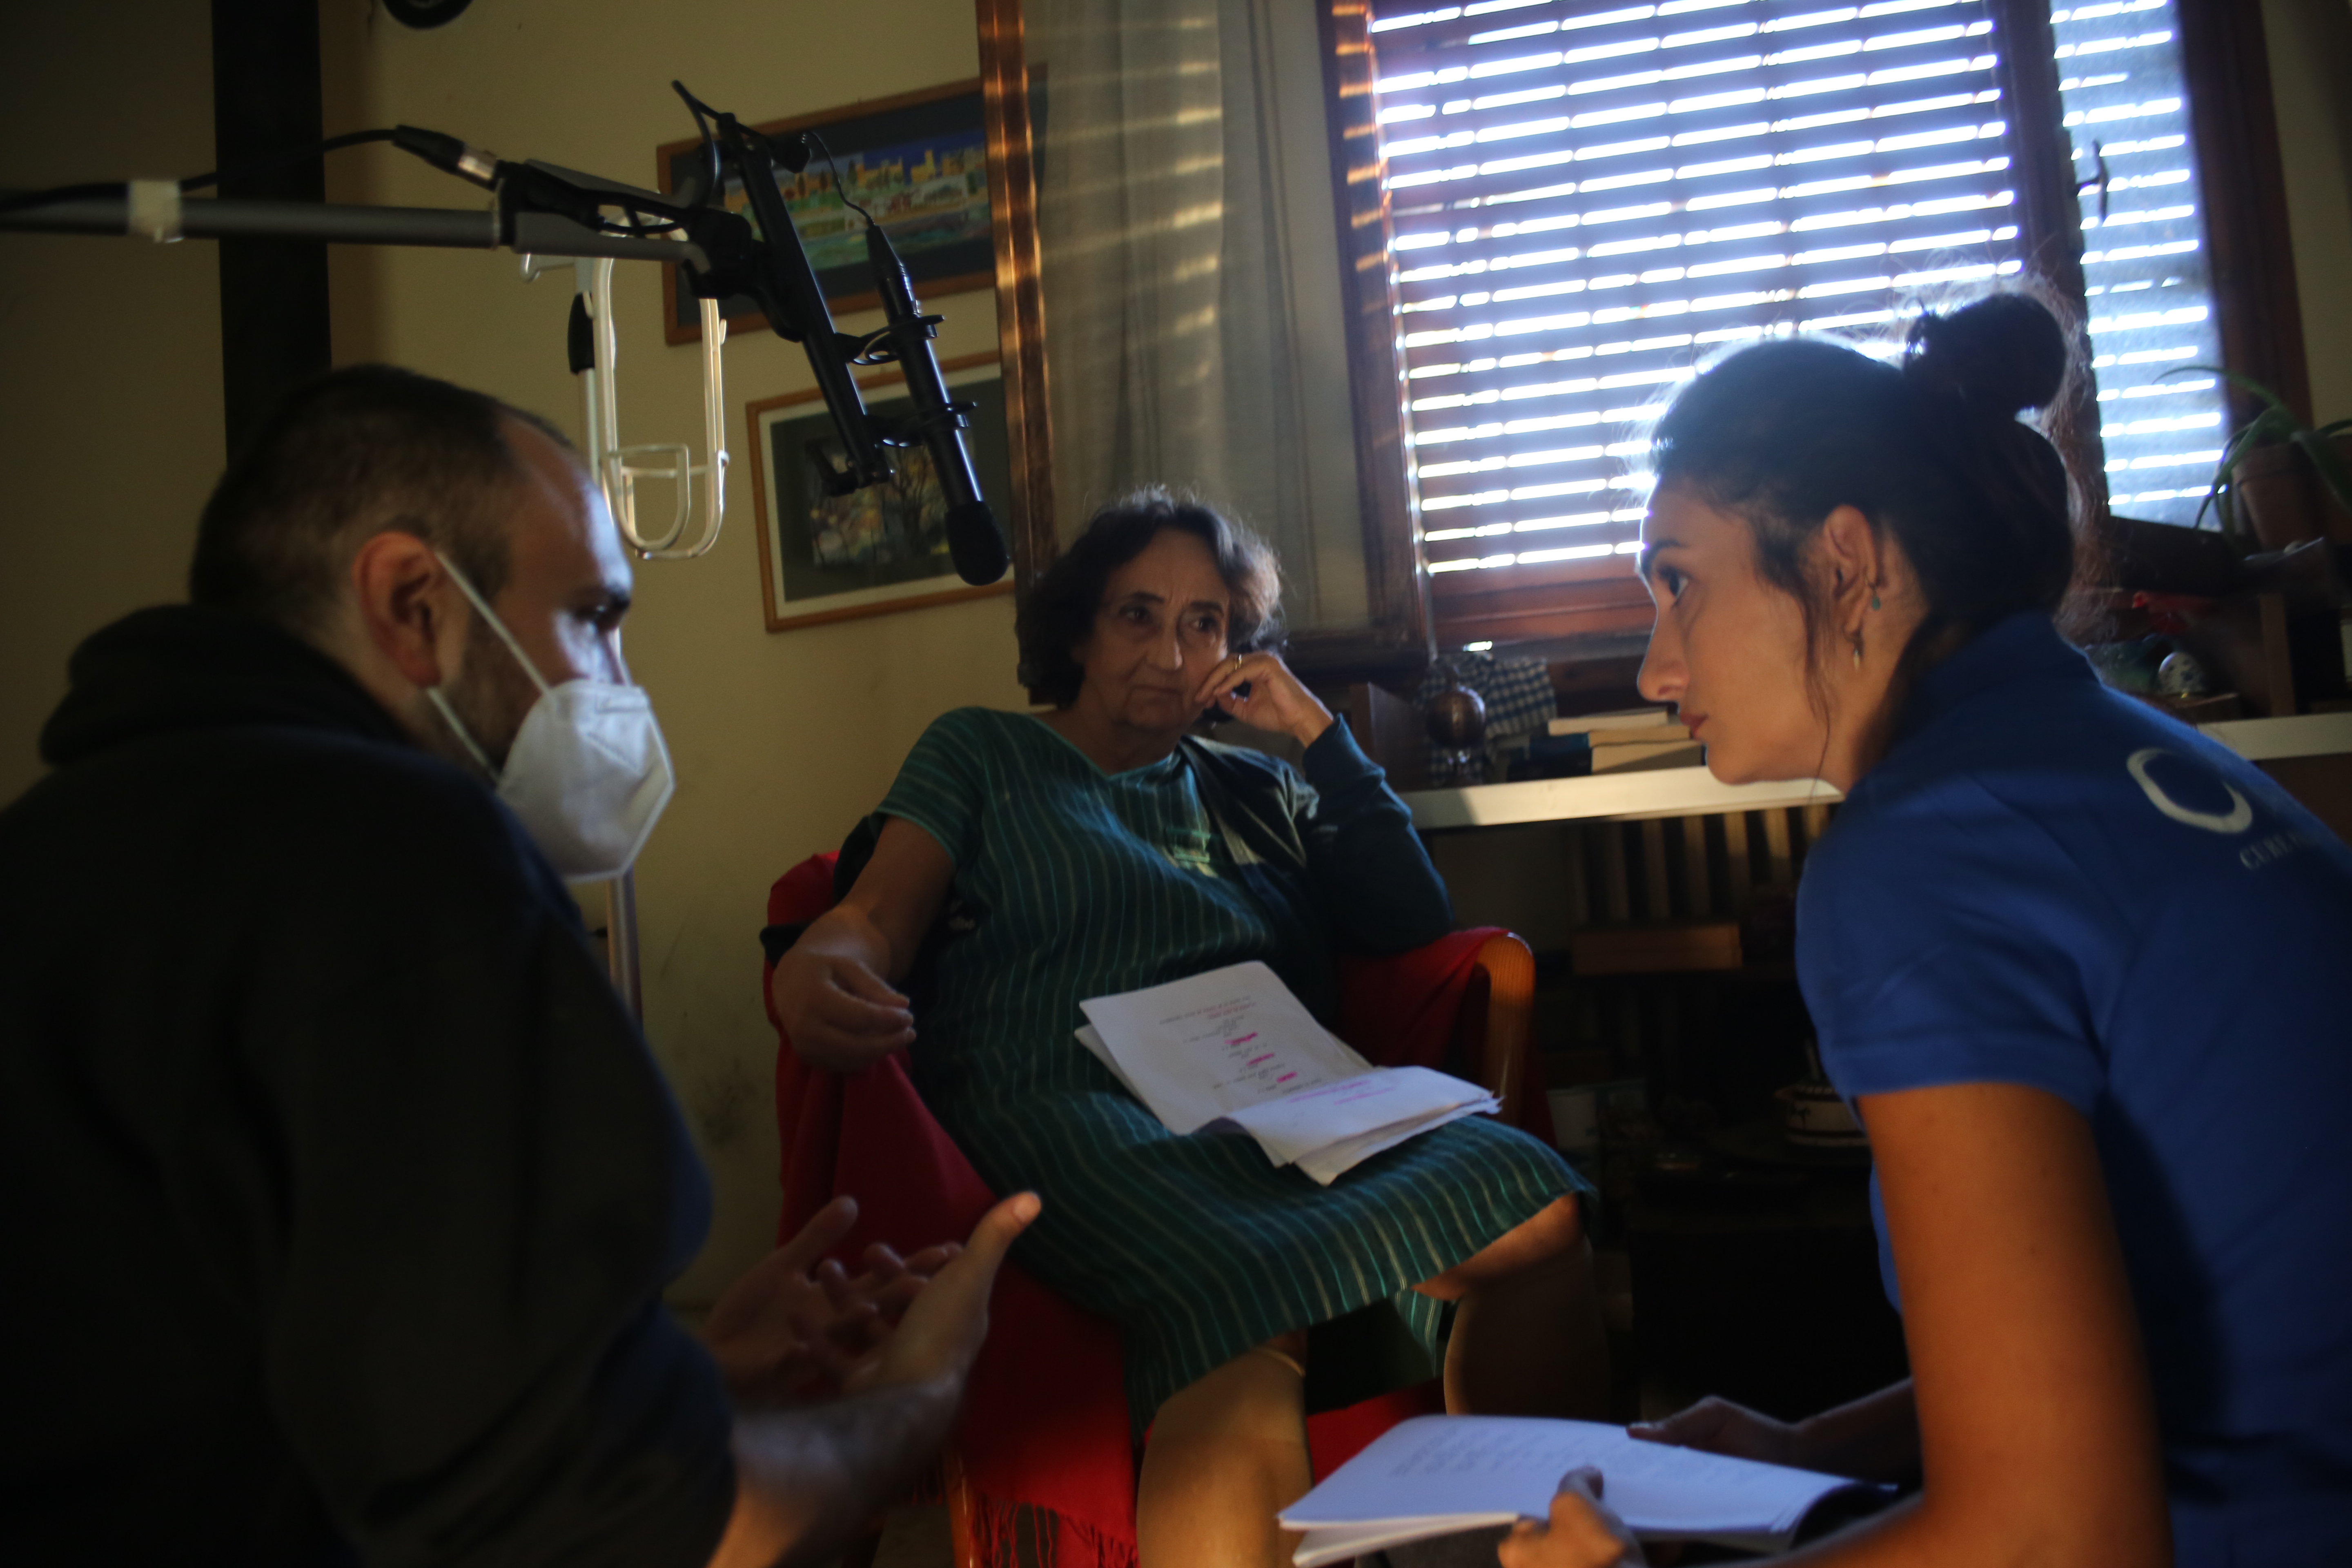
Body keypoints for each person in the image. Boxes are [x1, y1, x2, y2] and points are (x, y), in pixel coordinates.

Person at [0, 364, 1036, 1568]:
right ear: (413, 604)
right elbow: (644, 1532)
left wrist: (657, 1368)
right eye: (595, 618)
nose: (622, 687)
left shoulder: (62, 845)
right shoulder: (401, 853)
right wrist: (913, 1404)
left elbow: (264, 1385)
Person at [1501, 294, 2352, 1568]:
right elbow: (2183, 1314)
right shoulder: (2141, 758)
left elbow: (2062, 1533)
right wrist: (1816, 1451)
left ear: (1846, 562)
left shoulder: (1923, 851)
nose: (1655, 669)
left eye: (1679, 585)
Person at [770, 491, 1609, 1568]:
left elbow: (1412, 922)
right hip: (1064, 1094)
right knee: (1243, 1306)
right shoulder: (982, 753)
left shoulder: (1256, 786)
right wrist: (819, 966)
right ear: (1076, 629)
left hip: (1265, 1094)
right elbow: (875, 915)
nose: (1171, 652)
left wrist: (1316, 734)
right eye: (1137, 615)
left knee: (1534, 1201)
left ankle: (1541, 1550)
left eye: (1205, 623)